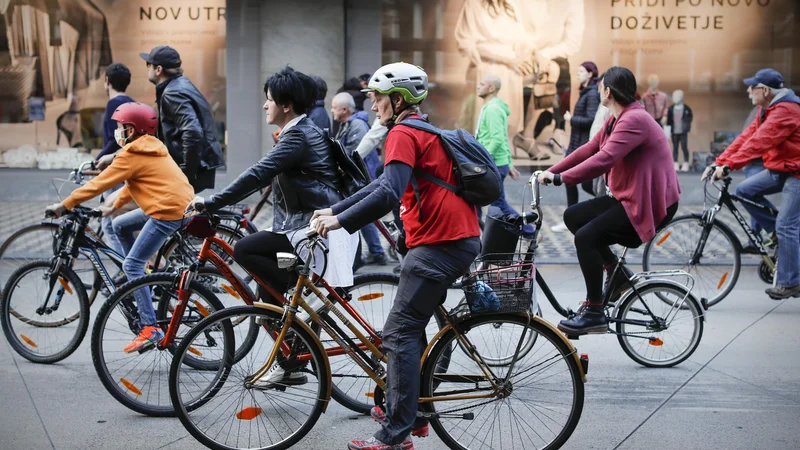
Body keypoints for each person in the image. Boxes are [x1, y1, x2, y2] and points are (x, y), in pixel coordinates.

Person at [312, 62, 481, 450]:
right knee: (412, 328)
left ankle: (395, 434)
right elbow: (382, 186)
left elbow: (388, 194)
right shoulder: (418, 129)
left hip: (441, 244)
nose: (372, 105)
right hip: (448, 240)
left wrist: (342, 223)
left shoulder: (403, 133)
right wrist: (336, 211)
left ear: (398, 99)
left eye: (376, 97)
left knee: (399, 332)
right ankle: (416, 415)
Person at [190, 67, 346, 384]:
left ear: (286, 105)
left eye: (269, 100)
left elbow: (257, 173)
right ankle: (290, 359)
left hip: (312, 232)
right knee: (265, 293)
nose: (265, 105)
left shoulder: (298, 136)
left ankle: (299, 308)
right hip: (302, 230)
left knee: (246, 249)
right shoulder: (296, 134)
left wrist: (211, 202)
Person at [538, 66, 680, 335]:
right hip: (629, 197)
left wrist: (561, 180)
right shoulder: (618, 118)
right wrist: (552, 171)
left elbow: (604, 159)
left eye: (601, 86)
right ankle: (618, 275)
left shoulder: (634, 120)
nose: (598, 90)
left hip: (648, 203)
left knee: (586, 237)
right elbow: (590, 148)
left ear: (608, 91)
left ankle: (594, 311)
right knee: (574, 216)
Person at [45, 103, 194, 352]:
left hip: (167, 212)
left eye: (121, 127)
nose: (117, 131)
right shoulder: (152, 147)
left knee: (131, 265)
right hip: (181, 205)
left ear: (133, 130)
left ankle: (149, 327)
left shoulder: (131, 154)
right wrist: (112, 207)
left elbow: (99, 184)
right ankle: (145, 271)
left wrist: (65, 205)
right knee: (119, 225)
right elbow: (135, 182)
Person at [705, 68, 800, 299]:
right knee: (745, 190)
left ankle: (790, 282)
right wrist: (720, 162)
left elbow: (760, 142)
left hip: (796, 173)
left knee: (787, 225)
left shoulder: (786, 111)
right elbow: (746, 138)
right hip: (782, 168)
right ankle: (778, 235)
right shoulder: (766, 109)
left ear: (765, 90)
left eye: (752, 87)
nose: (748, 91)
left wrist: (730, 166)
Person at [135, 45, 224, 193]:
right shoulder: (181, 85)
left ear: (158, 70)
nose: (147, 69)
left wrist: (185, 173)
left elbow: (193, 131)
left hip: (189, 170)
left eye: (148, 65)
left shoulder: (173, 93)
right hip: (196, 167)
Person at [474, 74, 534, 236]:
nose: (478, 86)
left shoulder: (493, 109)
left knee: (498, 204)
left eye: (482, 83)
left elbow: (498, 140)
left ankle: (529, 231)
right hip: (495, 163)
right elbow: (503, 139)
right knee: (477, 201)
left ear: (491, 88)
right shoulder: (491, 107)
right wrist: (508, 163)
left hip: (490, 164)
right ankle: (475, 236)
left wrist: (480, 159)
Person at [332, 92, 388, 266]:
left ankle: (377, 252)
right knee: (362, 215)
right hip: (358, 178)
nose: (332, 111)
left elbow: (354, 153)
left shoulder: (356, 125)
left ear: (344, 109)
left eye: (334, 107)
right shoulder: (348, 124)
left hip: (362, 178)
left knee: (363, 215)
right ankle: (374, 252)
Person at [552, 61, 600, 232]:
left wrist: (570, 119)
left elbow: (591, 119)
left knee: (587, 184)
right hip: (576, 144)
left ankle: (610, 207)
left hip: (583, 145)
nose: (578, 74)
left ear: (590, 74)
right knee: (569, 180)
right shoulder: (586, 91)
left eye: (581, 71)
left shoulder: (592, 94)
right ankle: (571, 217)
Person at [95, 63, 136, 255]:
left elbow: (114, 140)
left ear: (107, 82)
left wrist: (99, 159)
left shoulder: (113, 104)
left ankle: (125, 265)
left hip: (116, 167)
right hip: (124, 165)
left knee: (111, 222)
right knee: (114, 218)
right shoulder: (131, 102)